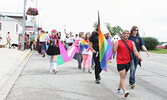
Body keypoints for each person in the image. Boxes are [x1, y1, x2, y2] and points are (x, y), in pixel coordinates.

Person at [112, 30, 142, 97]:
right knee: (122, 76)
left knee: (123, 77)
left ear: (129, 35)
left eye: (127, 33)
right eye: (124, 33)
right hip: (120, 62)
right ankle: (125, 91)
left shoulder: (131, 43)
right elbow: (114, 51)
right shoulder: (118, 42)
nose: (126, 34)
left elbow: (135, 51)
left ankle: (119, 89)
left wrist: (139, 57)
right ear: (122, 34)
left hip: (128, 62)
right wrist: (113, 45)